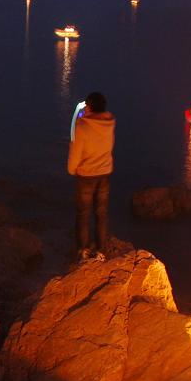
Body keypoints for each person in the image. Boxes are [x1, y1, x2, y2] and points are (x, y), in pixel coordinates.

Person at [67, 91, 115, 261]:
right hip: (104, 173)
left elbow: (75, 150)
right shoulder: (109, 123)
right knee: (101, 213)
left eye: (87, 105)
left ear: (90, 106)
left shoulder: (83, 126)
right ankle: (101, 250)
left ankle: (83, 250)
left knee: (83, 214)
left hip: (86, 175)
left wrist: (72, 169)